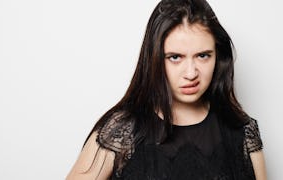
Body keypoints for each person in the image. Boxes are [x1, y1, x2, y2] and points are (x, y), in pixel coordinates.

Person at [66, 0, 267, 179]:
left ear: (219, 57)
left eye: (203, 56)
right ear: (154, 59)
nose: (190, 73)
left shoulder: (242, 130)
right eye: (175, 57)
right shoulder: (121, 130)